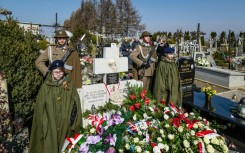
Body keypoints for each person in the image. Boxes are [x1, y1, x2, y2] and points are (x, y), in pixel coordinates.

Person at [29, 60, 82, 153]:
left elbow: (76, 103)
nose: (58, 74)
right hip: (50, 123)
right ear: (51, 72)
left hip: (65, 124)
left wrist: (73, 121)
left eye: (61, 71)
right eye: (56, 72)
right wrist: (41, 125)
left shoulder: (69, 85)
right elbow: (40, 107)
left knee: (64, 146)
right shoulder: (46, 87)